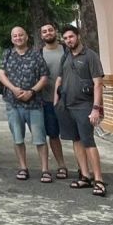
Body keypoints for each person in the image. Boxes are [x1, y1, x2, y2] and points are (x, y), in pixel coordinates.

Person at [55, 24, 107, 197]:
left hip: (85, 105)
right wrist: (57, 102)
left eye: (71, 36)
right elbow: (60, 80)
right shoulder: (66, 57)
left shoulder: (90, 56)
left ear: (78, 36)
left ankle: (98, 179)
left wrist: (96, 109)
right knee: (76, 140)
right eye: (66, 38)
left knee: (88, 142)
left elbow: (98, 83)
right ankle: (85, 175)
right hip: (67, 105)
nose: (69, 40)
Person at [0, 26, 50, 182]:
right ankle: (23, 167)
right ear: (12, 38)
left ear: (27, 37)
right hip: (13, 104)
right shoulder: (7, 54)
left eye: (21, 35)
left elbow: (44, 77)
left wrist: (31, 92)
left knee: (40, 138)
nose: (18, 38)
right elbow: (1, 74)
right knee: (17, 138)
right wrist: (13, 89)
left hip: (34, 104)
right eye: (15, 35)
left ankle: (45, 170)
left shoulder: (36, 55)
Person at [39, 22, 70, 179]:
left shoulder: (67, 50)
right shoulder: (39, 54)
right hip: (48, 101)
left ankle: (82, 167)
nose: (48, 33)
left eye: (50, 30)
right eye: (44, 31)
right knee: (53, 134)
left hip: (70, 100)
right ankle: (61, 165)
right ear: (41, 35)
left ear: (55, 32)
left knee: (76, 136)